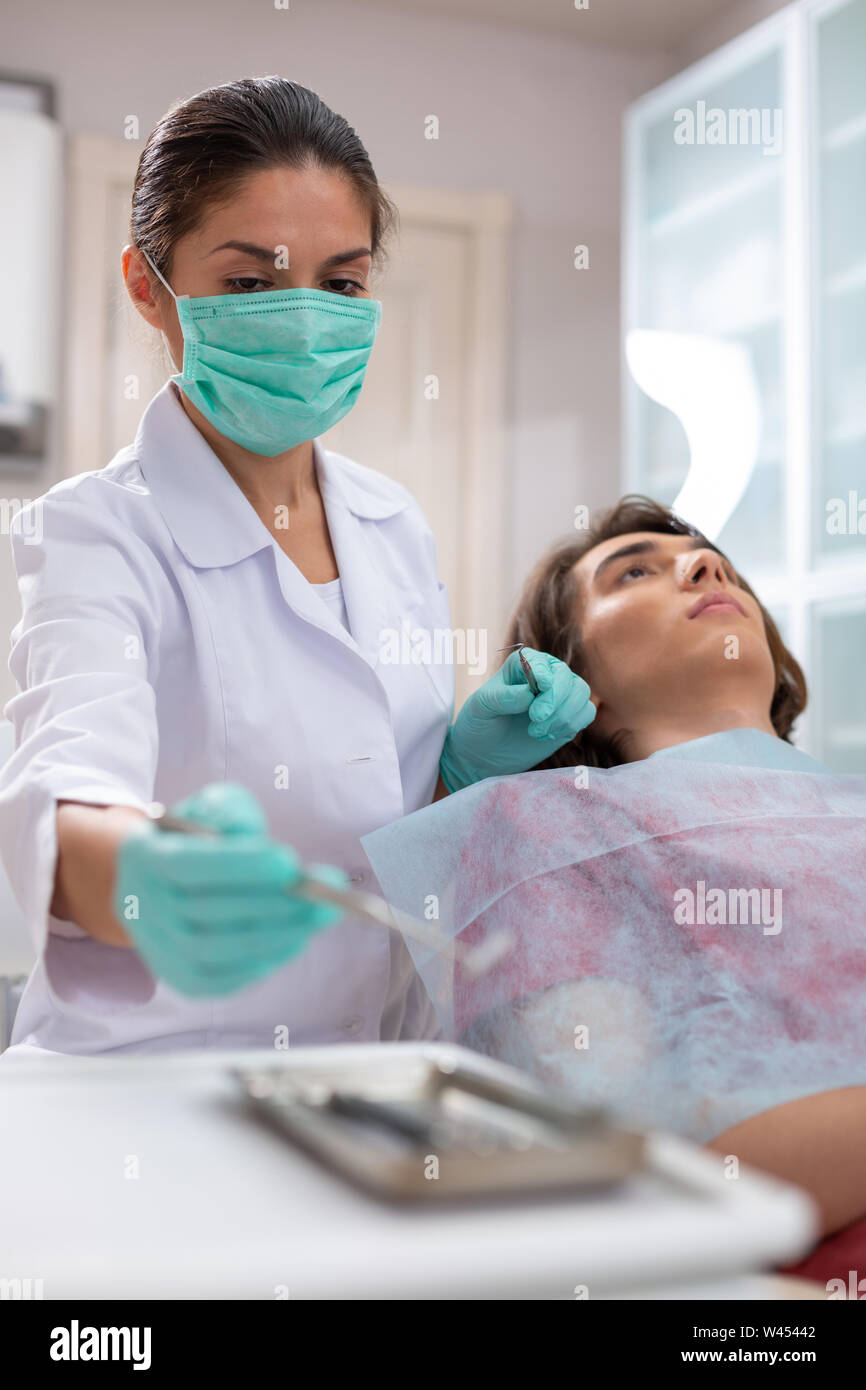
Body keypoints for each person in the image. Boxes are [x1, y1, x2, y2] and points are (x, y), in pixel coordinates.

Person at [0, 76, 594, 1060]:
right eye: (249, 283)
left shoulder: (391, 522)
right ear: (149, 286)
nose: (306, 318)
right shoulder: (95, 531)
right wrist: (141, 873)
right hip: (140, 1086)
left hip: (359, 1073)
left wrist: (458, 770)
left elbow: (378, 818)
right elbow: (67, 785)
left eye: (342, 282)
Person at [361, 495, 866, 1286]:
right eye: (636, 572)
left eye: (714, 562)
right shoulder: (547, 841)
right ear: (573, 676)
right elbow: (636, 1179)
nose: (704, 566)